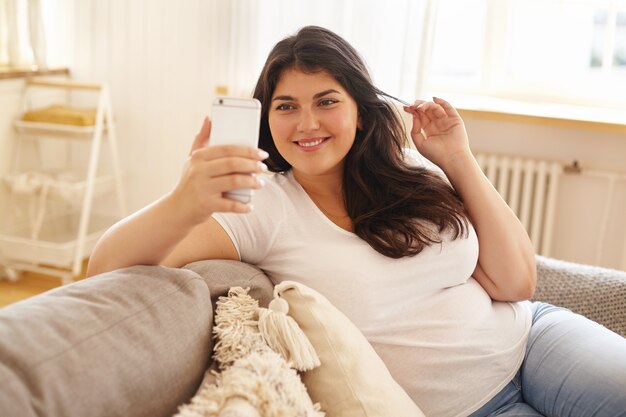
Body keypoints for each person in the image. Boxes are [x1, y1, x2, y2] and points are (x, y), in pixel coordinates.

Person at [87, 26, 626, 417]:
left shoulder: (407, 170)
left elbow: (516, 282)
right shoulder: (260, 207)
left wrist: (458, 159)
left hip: (537, 340)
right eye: (285, 106)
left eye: (327, 101)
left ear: (360, 110)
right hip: (465, 408)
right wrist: (185, 198)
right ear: (264, 118)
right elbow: (104, 268)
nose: (307, 124)